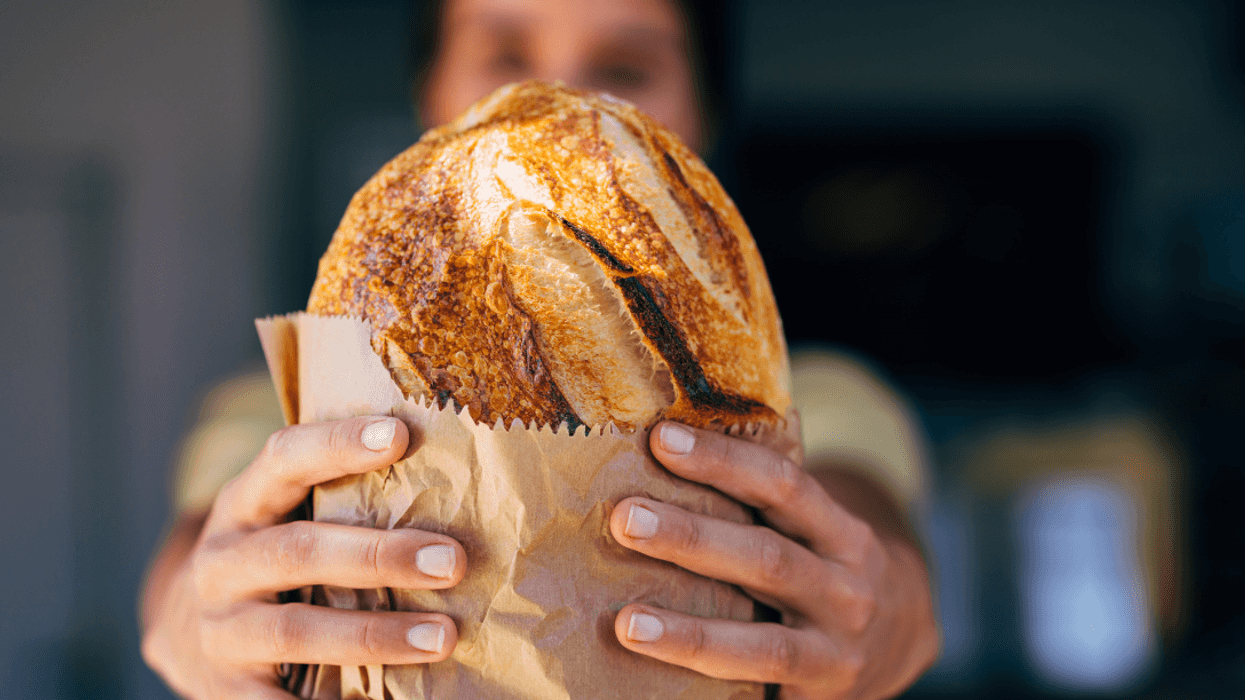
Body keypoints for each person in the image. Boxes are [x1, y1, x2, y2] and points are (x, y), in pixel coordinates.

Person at [140, 0, 940, 698]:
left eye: (623, 67)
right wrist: (190, 612)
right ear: (433, 98)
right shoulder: (292, 400)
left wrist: (884, 613)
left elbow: (875, 546)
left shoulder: (821, 395)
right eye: (504, 57)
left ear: (701, 118)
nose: (555, 106)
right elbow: (194, 559)